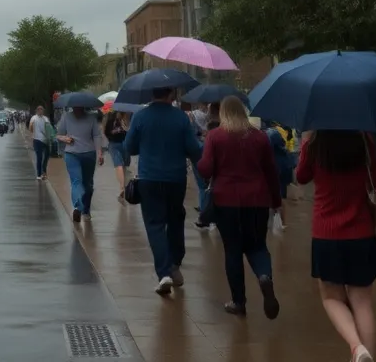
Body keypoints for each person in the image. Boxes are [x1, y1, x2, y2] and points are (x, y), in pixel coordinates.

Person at [296, 130, 376, 362]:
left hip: (326, 234)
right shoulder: (364, 139)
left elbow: (301, 176)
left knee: (331, 298)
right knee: (363, 302)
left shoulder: (315, 142)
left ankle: (357, 347)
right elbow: (374, 180)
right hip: (362, 232)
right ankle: (367, 354)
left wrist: (305, 144)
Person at [197, 96, 281, 319]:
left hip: (226, 201)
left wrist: (202, 157)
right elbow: (271, 172)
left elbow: (205, 169)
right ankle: (264, 276)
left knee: (233, 250)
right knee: (257, 246)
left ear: (223, 113)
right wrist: (276, 201)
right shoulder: (260, 137)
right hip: (257, 200)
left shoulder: (215, 137)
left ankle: (238, 302)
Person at [124, 86, 203, 295]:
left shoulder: (140, 117)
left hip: (149, 178)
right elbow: (194, 149)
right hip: (175, 178)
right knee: (176, 219)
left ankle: (164, 272)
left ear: (152, 94)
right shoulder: (180, 118)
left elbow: (129, 147)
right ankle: (176, 262)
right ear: (171, 95)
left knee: (155, 224)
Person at [57, 106, 104, 222]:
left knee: (77, 182)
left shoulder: (66, 117)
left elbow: (58, 135)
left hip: (73, 153)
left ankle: (79, 206)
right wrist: (99, 153)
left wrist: (64, 139)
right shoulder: (91, 117)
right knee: (87, 183)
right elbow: (97, 136)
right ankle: (85, 210)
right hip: (87, 153)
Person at [264, 121, 296, 230]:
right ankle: (282, 223)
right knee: (281, 196)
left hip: (275, 169)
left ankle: (275, 223)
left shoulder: (269, 134)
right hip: (284, 167)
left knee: (275, 197)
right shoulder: (281, 132)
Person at [103, 110, 132, 203]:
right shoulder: (114, 117)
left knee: (121, 165)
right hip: (119, 144)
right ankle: (123, 188)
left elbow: (104, 130)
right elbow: (104, 130)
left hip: (119, 143)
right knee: (121, 165)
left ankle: (123, 188)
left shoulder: (124, 117)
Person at [29, 105, 51, 180]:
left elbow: (49, 128)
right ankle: (39, 174)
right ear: (36, 111)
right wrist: (34, 133)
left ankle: (43, 171)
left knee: (47, 156)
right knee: (39, 157)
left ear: (43, 111)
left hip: (45, 140)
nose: (40, 111)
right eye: (39, 110)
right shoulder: (34, 118)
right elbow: (30, 127)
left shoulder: (46, 119)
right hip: (37, 140)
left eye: (41, 110)